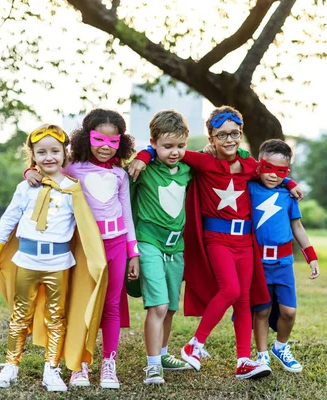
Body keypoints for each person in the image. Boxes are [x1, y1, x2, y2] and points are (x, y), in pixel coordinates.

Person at [129, 106, 301, 379]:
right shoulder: (202, 161)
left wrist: (289, 182)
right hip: (216, 239)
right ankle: (195, 344)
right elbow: (167, 149)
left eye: (235, 133)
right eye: (222, 135)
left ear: (241, 134)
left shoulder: (248, 166)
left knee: (243, 299)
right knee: (230, 288)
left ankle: (243, 360)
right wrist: (142, 154)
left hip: (244, 241)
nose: (229, 140)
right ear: (211, 138)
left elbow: (272, 173)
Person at [0, 124, 107, 392]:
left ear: (65, 154)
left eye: (55, 151)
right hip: (27, 261)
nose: (49, 157)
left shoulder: (73, 188)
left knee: (56, 317)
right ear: (33, 156)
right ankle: (10, 366)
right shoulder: (25, 187)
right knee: (20, 316)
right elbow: (9, 219)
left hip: (58, 263)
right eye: (41, 152)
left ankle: (51, 369)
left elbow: (85, 225)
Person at [25, 109, 140, 389]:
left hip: (116, 245)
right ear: (85, 138)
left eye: (113, 142)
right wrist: (30, 171)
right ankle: (80, 364)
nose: (105, 147)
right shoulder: (72, 168)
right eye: (99, 140)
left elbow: (126, 213)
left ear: (121, 143)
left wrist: (133, 252)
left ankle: (109, 364)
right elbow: (47, 168)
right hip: (85, 246)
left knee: (111, 305)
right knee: (82, 305)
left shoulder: (120, 175)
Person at [129, 110, 194, 385]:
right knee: (158, 305)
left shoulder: (189, 171)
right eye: (168, 146)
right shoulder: (143, 169)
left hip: (175, 246)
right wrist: (144, 156)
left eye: (180, 146)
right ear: (153, 142)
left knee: (170, 308)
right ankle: (152, 365)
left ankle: (164, 355)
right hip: (148, 242)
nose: (175, 152)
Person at [249, 139, 320, 374]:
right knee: (262, 310)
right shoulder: (248, 188)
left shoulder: (288, 196)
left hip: (284, 263)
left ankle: (280, 347)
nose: (273, 175)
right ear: (260, 164)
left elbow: (297, 227)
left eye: (281, 171)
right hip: (258, 262)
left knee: (289, 311)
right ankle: (261, 356)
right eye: (268, 167)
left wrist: (311, 256)